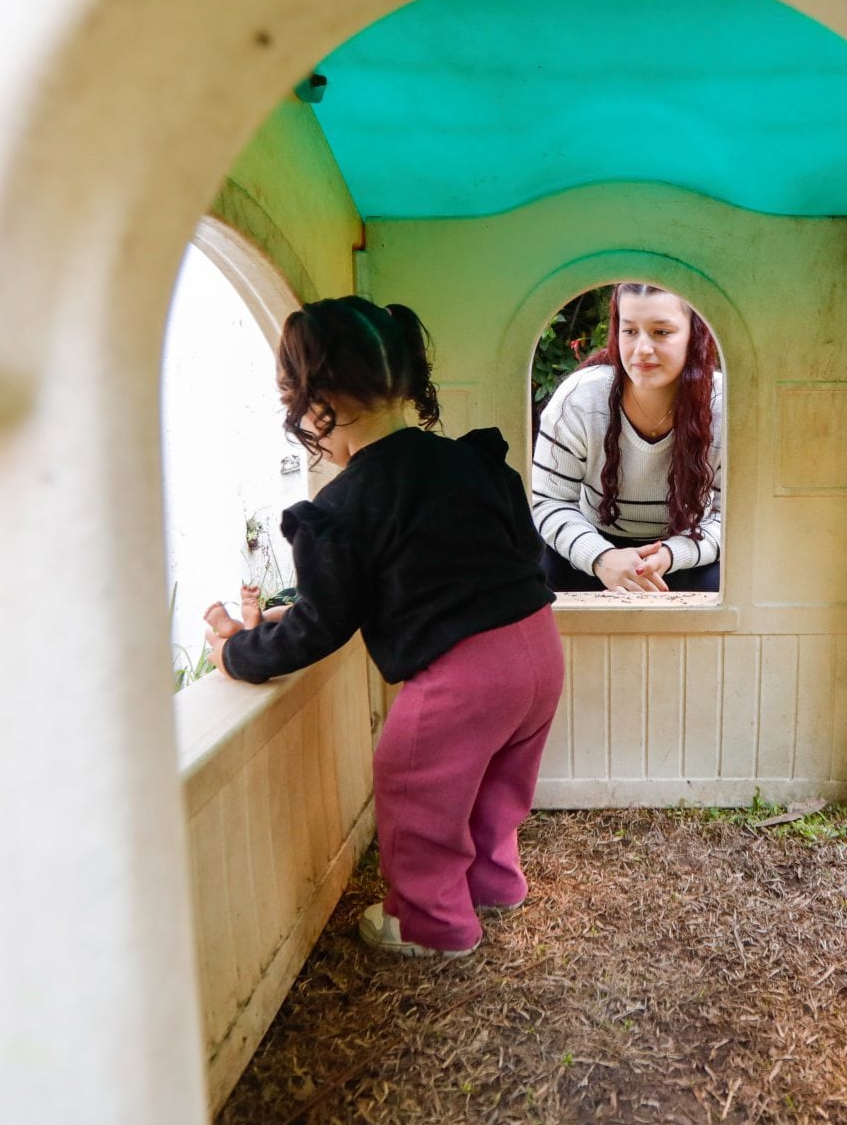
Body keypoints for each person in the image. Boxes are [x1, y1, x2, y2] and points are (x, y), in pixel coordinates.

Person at [202, 297, 561, 959]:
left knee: (417, 781)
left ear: (318, 404)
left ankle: (431, 923)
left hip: (465, 676)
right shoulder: (474, 461)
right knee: (493, 779)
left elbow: (323, 625)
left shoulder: (342, 505)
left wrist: (239, 651)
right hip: (538, 648)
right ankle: (494, 880)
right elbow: (499, 557)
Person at [531, 282, 724, 593]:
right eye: (630, 331)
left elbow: (729, 516)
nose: (642, 349)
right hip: (592, 545)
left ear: (695, 336)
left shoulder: (723, 404)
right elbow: (548, 501)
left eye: (662, 332)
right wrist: (601, 557)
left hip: (687, 552)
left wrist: (669, 556)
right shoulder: (580, 399)